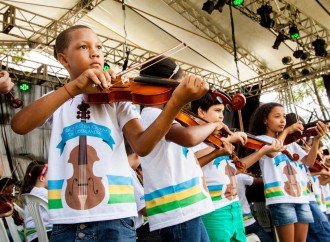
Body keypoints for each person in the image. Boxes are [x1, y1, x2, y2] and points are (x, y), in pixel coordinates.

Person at [10, 25, 208, 242]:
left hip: (117, 217)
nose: (95, 52)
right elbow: (19, 125)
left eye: (99, 46)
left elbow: (142, 146)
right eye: (84, 47)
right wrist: (73, 89)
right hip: (66, 220)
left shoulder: (118, 100)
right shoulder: (57, 100)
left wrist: (175, 104)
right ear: (64, 59)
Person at [139, 57, 224, 242]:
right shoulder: (151, 114)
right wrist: (214, 125)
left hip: (187, 207)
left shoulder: (165, 115)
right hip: (176, 209)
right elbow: (189, 137)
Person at [190, 93, 281, 242]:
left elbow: (234, 169)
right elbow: (192, 162)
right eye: (217, 111)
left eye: (222, 112)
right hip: (214, 209)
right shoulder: (193, 138)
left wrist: (262, 151)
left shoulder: (219, 139)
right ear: (201, 112)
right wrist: (228, 140)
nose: (221, 116)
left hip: (234, 206)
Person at [249, 103, 328, 242]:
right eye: (277, 116)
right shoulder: (261, 140)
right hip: (280, 198)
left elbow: (309, 163)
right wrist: (286, 131)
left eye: (284, 117)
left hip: (301, 197)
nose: (282, 120)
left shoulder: (291, 143)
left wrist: (316, 140)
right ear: (265, 120)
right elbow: (273, 152)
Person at [236, 173, 274, 242]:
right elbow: (262, 182)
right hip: (248, 223)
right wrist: (249, 176)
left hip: (230, 226)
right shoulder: (240, 177)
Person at [20, 162, 52, 242]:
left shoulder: (32, 194)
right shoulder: (45, 193)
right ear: (42, 178)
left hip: (32, 237)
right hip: (48, 234)